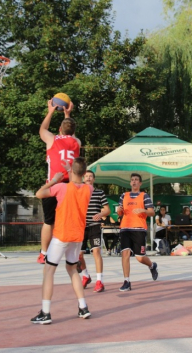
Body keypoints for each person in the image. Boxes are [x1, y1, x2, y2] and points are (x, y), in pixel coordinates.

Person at [30, 157, 93, 325]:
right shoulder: (89, 189)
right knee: (73, 270)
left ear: (72, 171)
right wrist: (71, 169)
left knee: (49, 271)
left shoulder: (61, 187)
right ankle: (83, 307)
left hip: (62, 235)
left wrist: (54, 180)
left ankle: (45, 312)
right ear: (84, 173)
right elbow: (79, 180)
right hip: (77, 236)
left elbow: (39, 194)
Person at [38, 97, 80, 265]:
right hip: (69, 186)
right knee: (67, 219)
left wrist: (50, 112)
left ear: (59, 129)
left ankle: (43, 253)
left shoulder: (52, 139)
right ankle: (69, 251)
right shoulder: (77, 142)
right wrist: (67, 115)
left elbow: (42, 129)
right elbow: (70, 132)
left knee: (49, 221)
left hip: (53, 185)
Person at [116, 173, 158, 291]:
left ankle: (152, 265)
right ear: (130, 183)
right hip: (125, 228)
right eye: (132, 180)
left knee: (140, 258)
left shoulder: (144, 196)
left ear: (140, 183)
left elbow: (152, 212)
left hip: (139, 228)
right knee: (125, 254)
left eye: (136, 180)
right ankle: (126, 281)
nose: (134, 182)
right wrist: (119, 210)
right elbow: (120, 213)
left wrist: (143, 210)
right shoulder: (124, 195)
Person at [78, 170, 110, 293]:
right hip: (81, 227)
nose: (88, 178)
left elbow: (107, 210)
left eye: (90, 176)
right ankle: (86, 276)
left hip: (95, 226)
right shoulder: (79, 192)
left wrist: (101, 214)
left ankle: (99, 281)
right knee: (79, 255)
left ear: (94, 179)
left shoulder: (99, 193)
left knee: (96, 251)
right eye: (86, 176)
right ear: (83, 178)